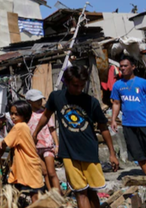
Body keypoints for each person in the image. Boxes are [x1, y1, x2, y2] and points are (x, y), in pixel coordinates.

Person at [33, 66, 119, 208]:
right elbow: (46, 116)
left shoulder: (91, 102)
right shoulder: (56, 97)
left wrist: (112, 153)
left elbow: (103, 128)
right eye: (75, 85)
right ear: (67, 82)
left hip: (89, 152)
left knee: (92, 191)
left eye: (82, 85)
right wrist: (35, 133)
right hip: (69, 153)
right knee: (80, 192)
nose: (79, 89)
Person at [110, 55, 146, 176]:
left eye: (125, 66)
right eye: (121, 66)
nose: (122, 68)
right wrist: (113, 120)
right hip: (128, 124)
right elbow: (116, 103)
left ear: (133, 67)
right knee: (138, 153)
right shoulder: (117, 85)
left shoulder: (144, 83)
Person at [0, 100, 45, 203]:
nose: (13, 117)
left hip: (29, 166)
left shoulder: (19, 127)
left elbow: (5, 143)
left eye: (16, 114)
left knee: (35, 198)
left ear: (25, 115)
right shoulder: (24, 126)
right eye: (11, 113)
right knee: (33, 196)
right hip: (29, 165)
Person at [25, 89, 61, 190]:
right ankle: (50, 193)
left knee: (51, 172)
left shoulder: (45, 113)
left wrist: (57, 145)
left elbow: (52, 129)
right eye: (36, 100)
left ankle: (58, 194)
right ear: (29, 101)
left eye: (40, 100)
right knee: (44, 172)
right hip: (34, 148)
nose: (39, 102)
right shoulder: (26, 116)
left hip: (47, 146)